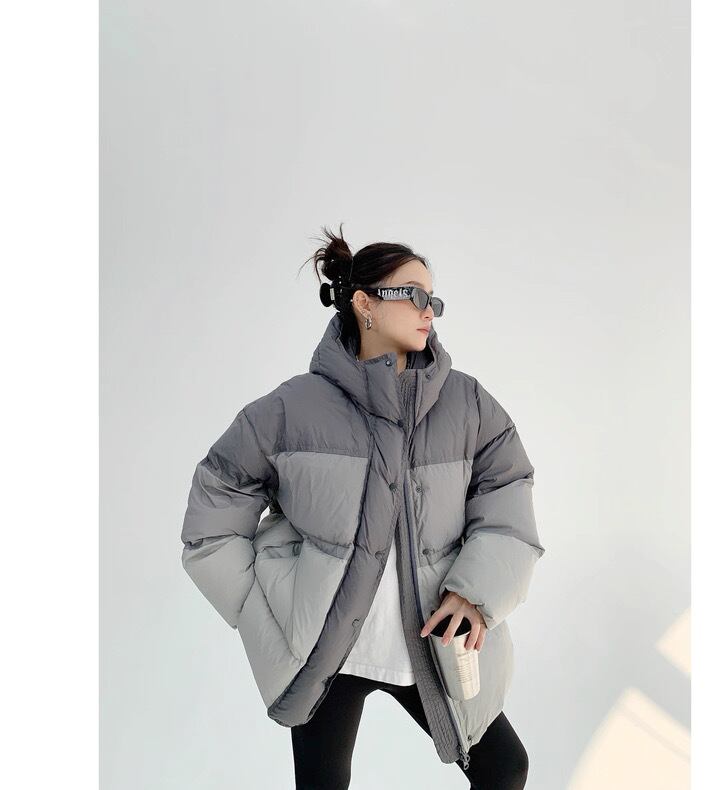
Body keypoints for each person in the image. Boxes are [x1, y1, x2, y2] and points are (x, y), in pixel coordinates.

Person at [180, 223, 546, 789]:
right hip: (328, 647)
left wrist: (477, 592)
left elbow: (507, 496)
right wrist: (258, 607)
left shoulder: (468, 404)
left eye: (434, 300)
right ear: (364, 304)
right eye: (414, 295)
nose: (429, 311)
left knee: (504, 768)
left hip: (432, 639)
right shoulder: (292, 408)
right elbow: (215, 507)